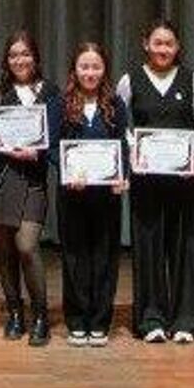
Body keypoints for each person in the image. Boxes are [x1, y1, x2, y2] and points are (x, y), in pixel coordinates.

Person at [117, 18, 194, 343]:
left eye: (169, 44)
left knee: (185, 248)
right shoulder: (130, 80)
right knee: (148, 248)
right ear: (146, 44)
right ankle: (151, 319)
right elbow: (120, 124)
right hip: (146, 181)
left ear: (177, 46)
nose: (163, 49)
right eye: (158, 43)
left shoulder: (192, 80)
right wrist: (133, 150)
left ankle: (185, 320)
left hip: (185, 181)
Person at [0, 31, 61, 347]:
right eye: (13, 55)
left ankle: (40, 315)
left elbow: (55, 136)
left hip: (32, 180)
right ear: (6, 60)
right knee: (4, 250)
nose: (19, 60)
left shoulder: (50, 92)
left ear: (35, 58)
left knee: (26, 246)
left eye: (25, 54)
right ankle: (14, 313)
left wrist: (38, 153)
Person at [56, 42, 127, 344]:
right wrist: (68, 173)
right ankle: (76, 320)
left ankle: (99, 321)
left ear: (104, 69)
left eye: (96, 67)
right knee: (75, 257)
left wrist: (123, 176)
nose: (90, 73)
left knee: (104, 257)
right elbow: (52, 147)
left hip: (106, 197)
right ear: (74, 70)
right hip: (72, 195)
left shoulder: (115, 104)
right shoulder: (61, 103)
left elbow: (124, 145)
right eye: (84, 66)